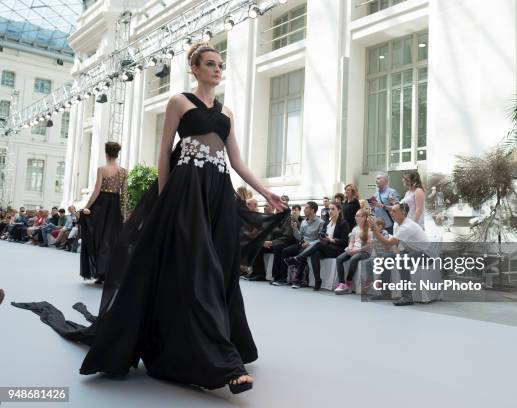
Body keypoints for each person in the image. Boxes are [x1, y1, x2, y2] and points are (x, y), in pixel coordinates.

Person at [13, 42, 287, 394]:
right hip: (185, 192)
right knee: (199, 267)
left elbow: (237, 162)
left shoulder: (228, 113)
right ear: (196, 69)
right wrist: (165, 198)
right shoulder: (179, 102)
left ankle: (198, 344)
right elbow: (163, 154)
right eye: (211, 64)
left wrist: (266, 192)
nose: (218, 69)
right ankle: (224, 364)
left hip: (218, 193)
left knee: (218, 268)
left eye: (220, 64)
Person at [80, 142, 128, 284]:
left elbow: (96, 191)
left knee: (98, 238)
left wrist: (86, 207)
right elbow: (124, 194)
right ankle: (109, 274)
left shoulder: (102, 169)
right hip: (115, 206)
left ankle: (101, 274)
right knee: (111, 240)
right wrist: (123, 213)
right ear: (117, 154)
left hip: (101, 205)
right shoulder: (124, 171)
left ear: (106, 153)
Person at [368, 203, 430, 306]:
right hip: (410, 251)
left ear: (402, 213)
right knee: (385, 258)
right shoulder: (396, 224)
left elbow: (387, 243)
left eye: (394, 211)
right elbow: (394, 247)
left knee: (402, 260)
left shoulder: (407, 226)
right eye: (391, 210)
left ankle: (407, 296)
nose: (391, 213)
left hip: (426, 255)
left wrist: (375, 231)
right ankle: (385, 293)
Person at [285, 203, 349, 291]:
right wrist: (323, 238)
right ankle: (318, 280)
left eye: (333, 209)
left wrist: (330, 240)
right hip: (327, 247)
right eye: (329, 209)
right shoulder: (327, 223)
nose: (330, 211)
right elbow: (321, 236)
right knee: (315, 254)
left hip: (337, 249)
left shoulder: (343, 223)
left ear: (339, 210)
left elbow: (344, 241)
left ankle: (298, 258)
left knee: (318, 244)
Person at [275, 202, 323, 286]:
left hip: (312, 246)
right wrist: (295, 229)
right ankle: (283, 278)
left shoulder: (320, 222)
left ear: (312, 210)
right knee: (285, 251)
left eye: (306, 208)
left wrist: (309, 243)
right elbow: (299, 237)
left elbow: (320, 239)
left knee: (302, 252)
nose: (304, 210)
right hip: (302, 243)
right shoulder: (304, 222)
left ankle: (298, 280)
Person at [334, 209, 373, 294]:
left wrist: (355, 251)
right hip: (354, 249)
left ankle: (349, 282)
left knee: (353, 259)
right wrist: (350, 248)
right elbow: (351, 241)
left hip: (364, 252)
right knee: (339, 259)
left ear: (364, 217)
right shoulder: (355, 229)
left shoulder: (370, 229)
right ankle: (342, 283)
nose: (355, 217)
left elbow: (368, 247)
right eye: (356, 215)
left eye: (358, 216)